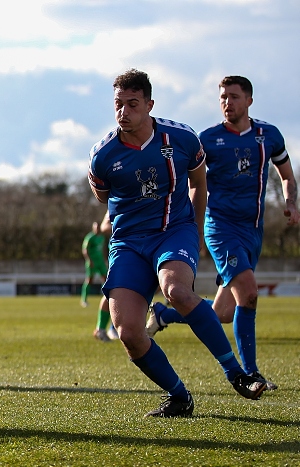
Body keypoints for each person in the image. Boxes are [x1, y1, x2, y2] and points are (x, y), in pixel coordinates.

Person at [88, 69, 266, 418]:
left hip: (174, 230)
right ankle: (179, 396)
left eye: (133, 104)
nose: (124, 112)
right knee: (128, 332)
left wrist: (195, 231)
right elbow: (102, 197)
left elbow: (198, 184)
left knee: (177, 292)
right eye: (118, 105)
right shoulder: (102, 155)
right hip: (127, 243)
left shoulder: (182, 138)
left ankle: (236, 374)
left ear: (150, 104)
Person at [146, 76, 299, 391]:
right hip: (220, 227)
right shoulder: (209, 139)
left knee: (223, 313)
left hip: (253, 230)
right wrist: (189, 224)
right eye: (223, 97)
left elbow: (286, 174)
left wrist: (291, 202)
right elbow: (188, 180)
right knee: (249, 293)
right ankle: (251, 373)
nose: (227, 102)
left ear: (249, 101)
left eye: (234, 96)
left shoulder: (268, 135)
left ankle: (164, 316)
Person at [85, 212, 118, 342]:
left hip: (146, 248)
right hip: (123, 250)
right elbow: (105, 226)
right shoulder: (120, 196)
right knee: (113, 290)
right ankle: (102, 328)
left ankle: (117, 327)